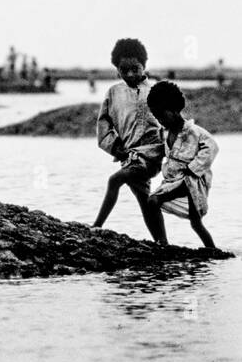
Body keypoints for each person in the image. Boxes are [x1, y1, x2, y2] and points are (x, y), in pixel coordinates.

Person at [92, 38, 166, 242]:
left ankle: (95, 227)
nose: (130, 74)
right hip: (128, 156)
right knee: (146, 201)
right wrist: (116, 148)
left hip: (151, 155)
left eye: (135, 68)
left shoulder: (156, 91)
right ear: (117, 70)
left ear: (145, 65)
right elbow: (103, 124)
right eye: (124, 70)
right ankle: (162, 242)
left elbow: (171, 122)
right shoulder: (113, 93)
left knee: (114, 180)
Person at [148, 81, 218, 248]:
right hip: (174, 180)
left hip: (190, 182)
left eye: (162, 116)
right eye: (156, 117)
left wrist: (193, 168)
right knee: (196, 224)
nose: (160, 120)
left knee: (154, 201)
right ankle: (212, 250)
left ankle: (162, 244)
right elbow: (165, 154)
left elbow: (212, 147)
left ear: (174, 110)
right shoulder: (167, 133)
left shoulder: (193, 131)